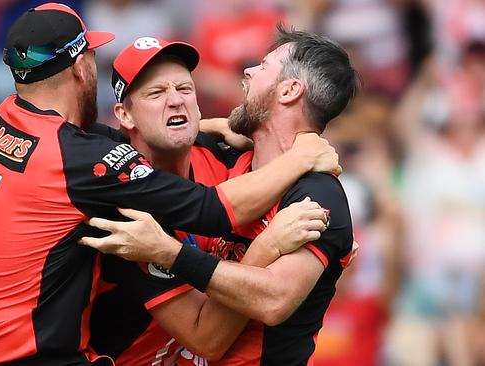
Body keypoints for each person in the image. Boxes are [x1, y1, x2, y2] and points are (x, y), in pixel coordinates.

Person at [0, 4, 341, 366]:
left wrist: (213, 126)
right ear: (82, 69)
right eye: (156, 94)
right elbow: (212, 217)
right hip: (24, 356)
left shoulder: (5, 118)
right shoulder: (114, 193)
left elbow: (94, 146)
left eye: (185, 89)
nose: (176, 100)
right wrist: (296, 169)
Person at [81, 26, 360, 365]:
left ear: (288, 90)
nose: (247, 70)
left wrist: (169, 252)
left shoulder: (316, 196)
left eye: (263, 66)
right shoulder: (229, 160)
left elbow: (273, 300)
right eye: (155, 93)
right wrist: (267, 246)